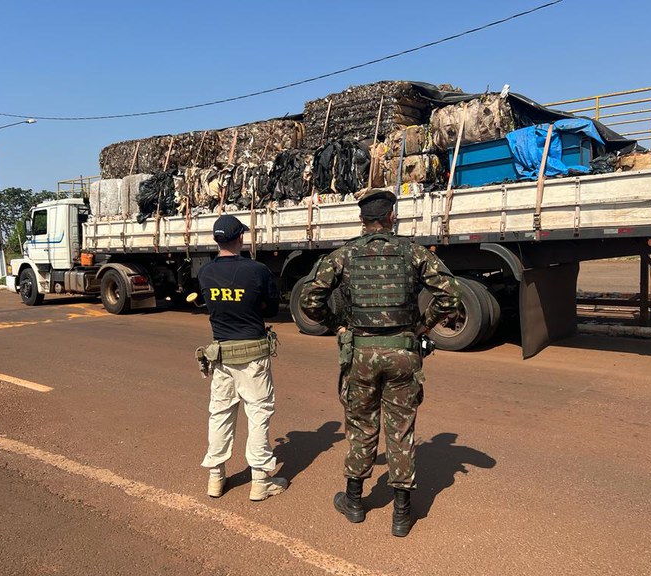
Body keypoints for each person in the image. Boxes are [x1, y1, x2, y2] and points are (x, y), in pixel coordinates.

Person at [300, 189, 461, 537]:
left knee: (361, 427)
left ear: (362, 220)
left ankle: (355, 501)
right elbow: (451, 294)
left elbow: (309, 299)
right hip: (404, 353)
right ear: (391, 217)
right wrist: (423, 325)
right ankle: (401, 514)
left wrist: (336, 325)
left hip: (360, 354)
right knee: (401, 431)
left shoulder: (343, 256)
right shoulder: (413, 252)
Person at [197, 214, 287, 501]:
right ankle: (260, 481)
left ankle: (216, 478)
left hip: (222, 356)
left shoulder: (206, 273)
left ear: (216, 240)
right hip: (253, 358)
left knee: (220, 415)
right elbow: (271, 309)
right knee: (258, 414)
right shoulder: (257, 270)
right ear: (240, 238)